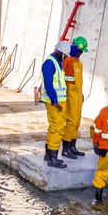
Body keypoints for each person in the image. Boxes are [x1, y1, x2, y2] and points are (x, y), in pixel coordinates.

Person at [41, 40, 72, 169]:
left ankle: (49, 155)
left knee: (54, 127)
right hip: (54, 102)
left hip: (59, 101)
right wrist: (55, 101)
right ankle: (52, 158)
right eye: (65, 55)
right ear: (61, 52)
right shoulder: (50, 63)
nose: (66, 58)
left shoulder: (57, 62)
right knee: (58, 128)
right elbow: (48, 84)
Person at [61, 36, 88, 159]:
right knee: (70, 121)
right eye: (81, 51)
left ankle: (73, 146)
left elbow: (78, 82)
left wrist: (81, 94)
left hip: (77, 96)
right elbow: (65, 80)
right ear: (76, 49)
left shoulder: (78, 63)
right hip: (70, 96)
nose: (81, 54)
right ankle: (66, 149)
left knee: (76, 122)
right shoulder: (67, 62)